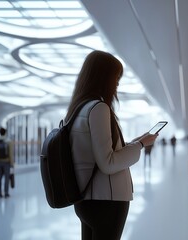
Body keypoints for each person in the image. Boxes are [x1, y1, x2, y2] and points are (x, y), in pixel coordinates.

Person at [67, 50, 157, 240]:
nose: (117, 83)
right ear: (103, 77)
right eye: (115, 77)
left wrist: (134, 142)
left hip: (86, 199)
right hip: (107, 200)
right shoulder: (99, 108)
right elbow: (107, 163)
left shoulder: (78, 109)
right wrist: (140, 145)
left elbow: (98, 153)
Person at [0, 127, 14, 198]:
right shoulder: (8, 141)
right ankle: (6, 193)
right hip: (6, 162)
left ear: (0, 132)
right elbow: (10, 153)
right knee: (6, 178)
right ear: (5, 132)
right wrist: (12, 163)